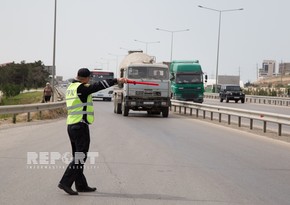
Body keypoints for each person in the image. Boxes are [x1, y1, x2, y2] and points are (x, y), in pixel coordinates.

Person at [58, 68, 127, 195]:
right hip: (80, 125)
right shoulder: (82, 88)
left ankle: (81, 185)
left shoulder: (72, 87)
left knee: (78, 156)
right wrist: (117, 80)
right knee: (81, 156)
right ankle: (65, 182)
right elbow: (98, 86)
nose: (90, 80)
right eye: (89, 78)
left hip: (71, 125)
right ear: (86, 78)